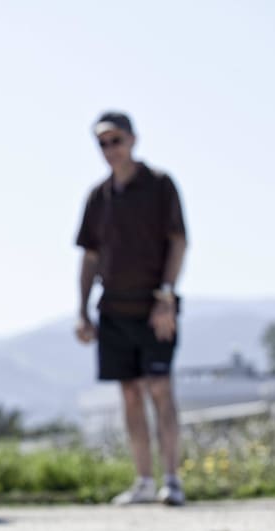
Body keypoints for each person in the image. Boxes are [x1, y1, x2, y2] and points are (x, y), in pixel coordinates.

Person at [74, 111, 189, 506]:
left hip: (154, 305)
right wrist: (82, 309)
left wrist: (166, 295)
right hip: (112, 307)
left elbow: (178, 241)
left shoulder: (159, 185)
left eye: (115, 140)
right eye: (102, 143)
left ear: (133, 139)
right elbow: (89, 255)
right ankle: (143, 481)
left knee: (160, 388)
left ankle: (171, 480)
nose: (110, 150)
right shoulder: (98, 196)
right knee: (129, 394)